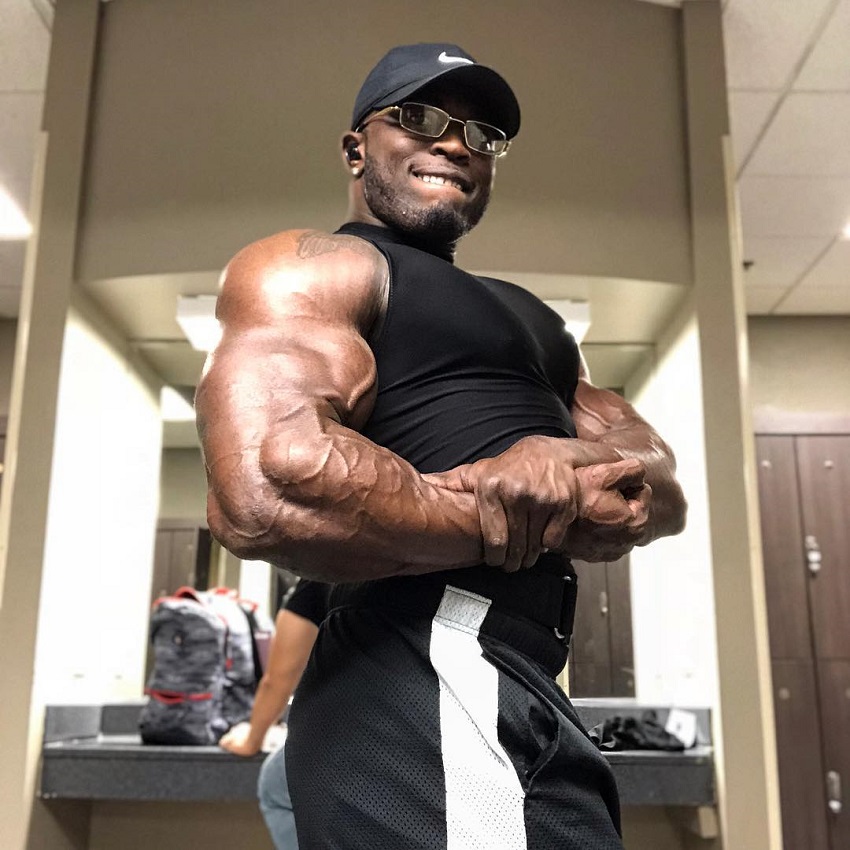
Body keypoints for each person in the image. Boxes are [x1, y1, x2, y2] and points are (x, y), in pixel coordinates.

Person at [196, 42, 687, 850]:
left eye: (484, 134)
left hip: (524, 676)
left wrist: (555, 472)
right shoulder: (314, 267)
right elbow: (268, 490)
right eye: (420, 117)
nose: (458, 143)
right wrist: (516, 505)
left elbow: (655, 486)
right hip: (422, 664)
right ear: (358, 146)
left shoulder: (532, 318)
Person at [219, 579, 330, 850]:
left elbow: (279, 679)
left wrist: (251, 741)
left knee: (274, 785)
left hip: (354, 731)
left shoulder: (321, 575)